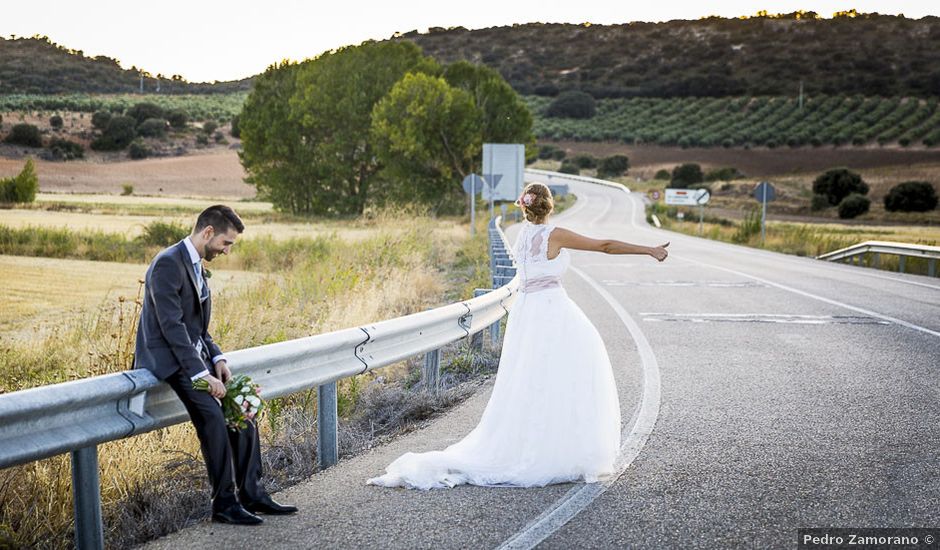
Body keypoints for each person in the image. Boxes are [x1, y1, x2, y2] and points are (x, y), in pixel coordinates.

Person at [367, 182, 669, 490]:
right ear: (550, 206)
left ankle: (537, 442)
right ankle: (558, 447)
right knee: (574, 367)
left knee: (530, 379)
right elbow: (604, 245)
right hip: (552, 310)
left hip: (526, 312)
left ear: (524, 206)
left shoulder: (523, 235)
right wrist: (648, 249)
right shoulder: (555, 235)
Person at [134, 205, 297, 524]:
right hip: (169, 359)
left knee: (242, 410)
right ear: (208, 232)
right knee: (212, 416)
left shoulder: (196, 265)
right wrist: (201, 373)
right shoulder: (168, 263)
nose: (227, 250)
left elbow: (198, 329)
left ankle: (252, 493)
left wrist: (218, 358)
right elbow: (172, 326)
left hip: (196, 356)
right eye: (226, 243)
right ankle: (224, 503)